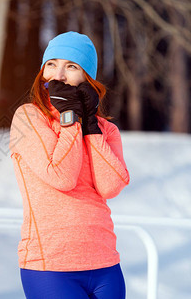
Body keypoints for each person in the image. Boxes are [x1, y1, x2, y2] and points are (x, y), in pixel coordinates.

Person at [9, 31, 130, 299]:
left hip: (105, 265)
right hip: (50, 267)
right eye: (51, 64)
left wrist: (90, 127)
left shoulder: (105, 130)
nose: (58, 75)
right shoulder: (28, 118)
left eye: (71, 66)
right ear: (42, 72)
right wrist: (70, 118)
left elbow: (110, 186)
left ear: (88, 79)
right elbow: (61, 175)